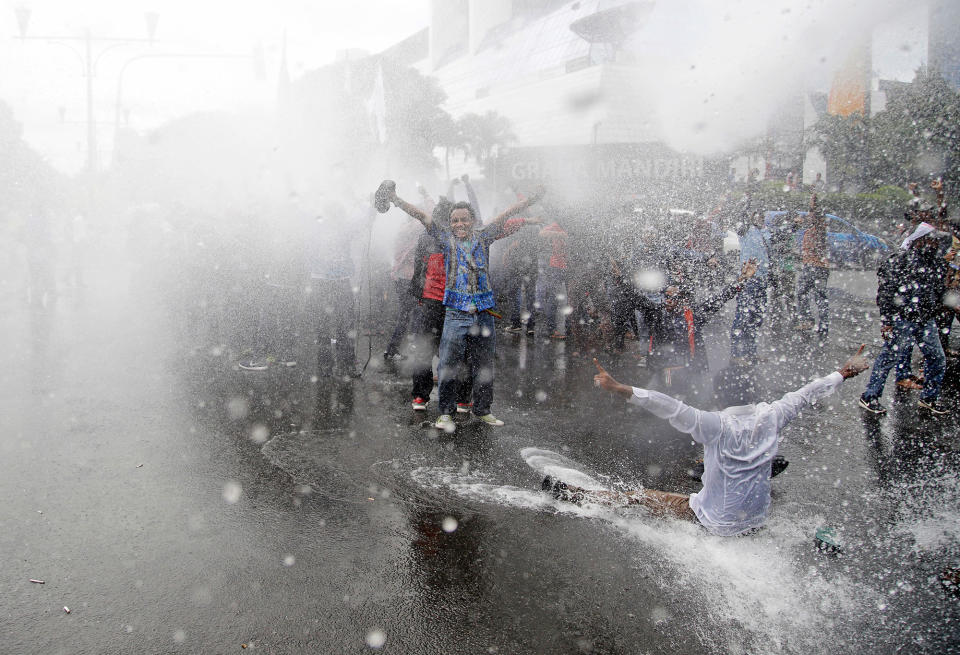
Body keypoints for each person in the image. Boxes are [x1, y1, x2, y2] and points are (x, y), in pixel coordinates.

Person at [541, 348, 869, 536]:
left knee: (640, 498)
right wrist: (842, 373)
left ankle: (575, 496)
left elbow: (666, 405)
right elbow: (807, 392)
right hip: (754, 521)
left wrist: (620, 389)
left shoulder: (715, 424)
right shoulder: (773, 415)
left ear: (719, 395)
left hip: (716, 523)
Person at [386, 183, 545, 430]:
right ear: (449, 224)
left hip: (483, 313)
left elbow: (507, 214)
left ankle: (482, 410)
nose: (459, 224)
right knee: (448, 365)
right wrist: (395, 198)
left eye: (464, 220)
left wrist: (530, 200)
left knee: (483, 364)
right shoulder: (445, 239)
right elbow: (421, 215)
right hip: (455, 313)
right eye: (454, 220)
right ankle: (446, 413)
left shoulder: (484, 236)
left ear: (473, 221)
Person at [610, 258, 759, 391]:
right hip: (662, 369)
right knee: (647, 406)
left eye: (673, 297)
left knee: (702, 403)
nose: (668, 300)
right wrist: (619, 278)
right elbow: (633, 295)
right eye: (666, 296)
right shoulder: (656, 313)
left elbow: (721, 297)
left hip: (691, 370)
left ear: (683, 300)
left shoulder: (694, 315)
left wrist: (742, 280)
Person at [858, 223, 952, 416]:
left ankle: (929, 398)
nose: (935, 244)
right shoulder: (900, 261)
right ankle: (870, 397)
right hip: (902, 319)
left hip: (925, 320)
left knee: (937, 358)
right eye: (932, 240)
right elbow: (886, 292)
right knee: (888, 358)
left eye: (937, 241)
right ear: (920, 240)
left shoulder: (935, 263)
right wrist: (887, 321)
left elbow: (938, 292)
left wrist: (946, 304)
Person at [730, 211, 771, 362]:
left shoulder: (764, 232)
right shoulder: (746, 230)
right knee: (742, 317)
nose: (759, 218)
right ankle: (736, 354)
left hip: (762, 280)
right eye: (756, 216)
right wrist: (747, 200)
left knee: (756, 318)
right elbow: (740, 218)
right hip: (748, 280)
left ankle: (751, 352)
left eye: (761, 216)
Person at [795, 199, 831, 339]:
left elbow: (816, 214)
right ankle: (823, 326)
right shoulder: (814, 231)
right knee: (819, 297)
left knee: (803, 293)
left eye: (810, 215)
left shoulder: (818, 229)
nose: (807, 216)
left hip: (814, 267)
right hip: (819, 267)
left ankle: (808, 320)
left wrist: (813, 200)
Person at [538, 218, 569, 339]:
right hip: (556, 266)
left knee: (571, 298)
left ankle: (570, 328)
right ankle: (551, 329)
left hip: (570, 266)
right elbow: (542, 233)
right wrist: (559, 234)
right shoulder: (558, 225)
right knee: (554, 297)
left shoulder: (574, 225)